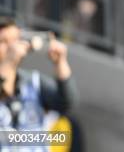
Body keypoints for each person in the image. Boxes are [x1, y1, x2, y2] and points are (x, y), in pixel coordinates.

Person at [0, 17, 77, 148]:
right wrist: (8, 62)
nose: (12, 46)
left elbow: (66, 103)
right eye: (3, 41)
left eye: (15, 40)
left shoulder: (33, 81)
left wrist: (60, 63)